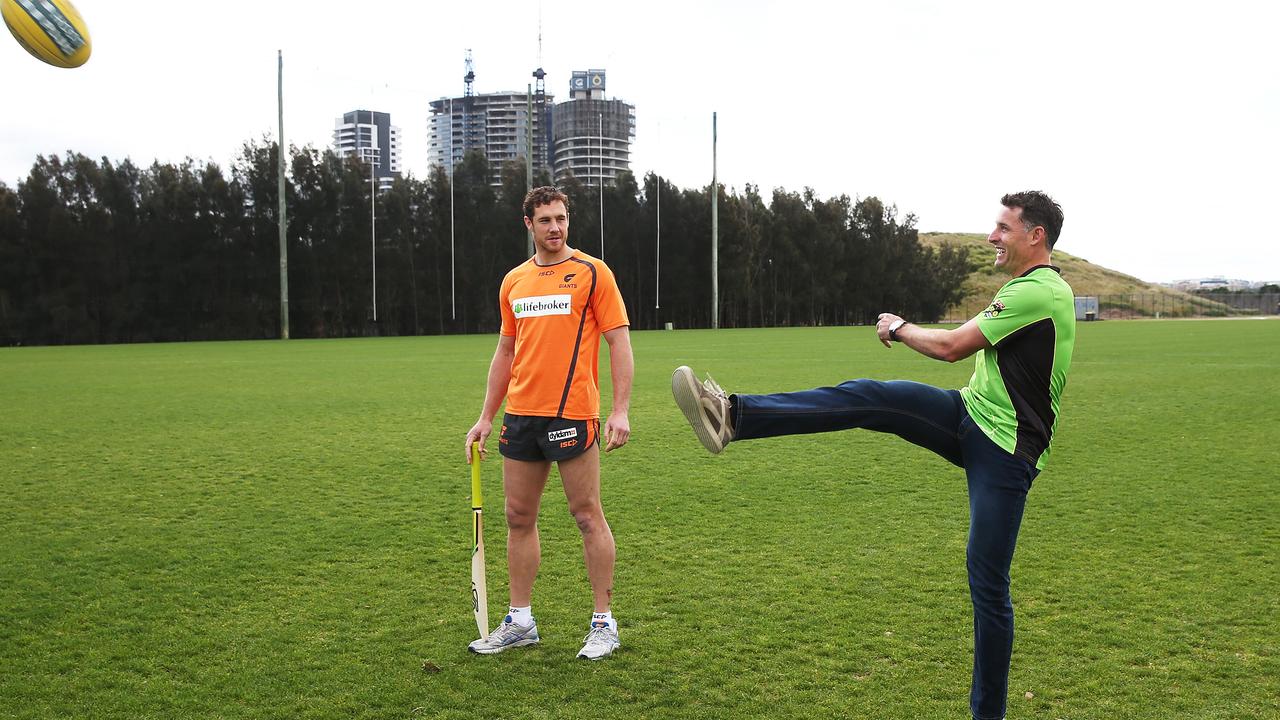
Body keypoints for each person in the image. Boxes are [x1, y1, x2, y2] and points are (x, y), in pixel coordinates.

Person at [672, 191, 1074, 719]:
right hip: (968, 416)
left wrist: (899, 327)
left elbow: (952, 347)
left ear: (1035, 236)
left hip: (1005, 452)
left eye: (1003, 228)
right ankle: (732, 416)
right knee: (872, 396)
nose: (992, 237)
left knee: (988, 582)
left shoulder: (1039, 292)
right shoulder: (1029, 288)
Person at [465, 186, 633, 661]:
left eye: (561, 219)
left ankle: (604, 623)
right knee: (518, 517)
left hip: (572, 413)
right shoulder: (513, 282)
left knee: (586, 515)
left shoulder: (593, 273)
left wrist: (619, 409)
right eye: (545, 221)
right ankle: (520, 621)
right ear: (528, 225)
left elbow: (619, 342)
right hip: (521, 416)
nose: (555, 228)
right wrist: (485, 417)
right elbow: (506, 350)